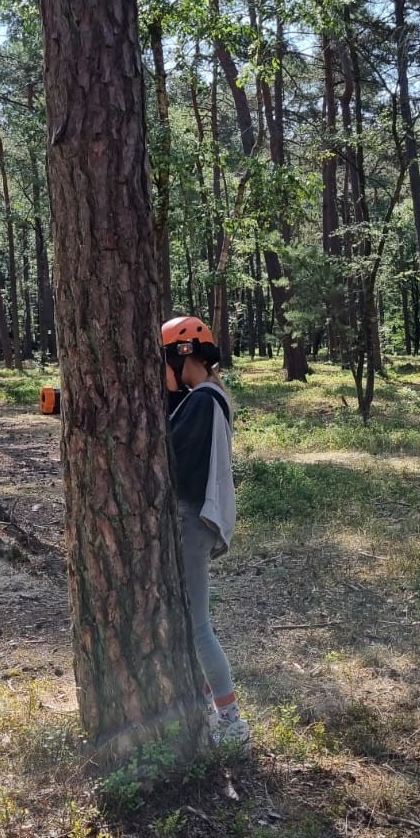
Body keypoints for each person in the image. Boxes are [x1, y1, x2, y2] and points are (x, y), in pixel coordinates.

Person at [162, 316, 249, 752]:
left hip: (192, 522)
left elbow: (168, 455)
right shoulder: (203, 397)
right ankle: (208, 711)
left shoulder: (202, 402)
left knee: (197, 627)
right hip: (192, 521)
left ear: (183, 357)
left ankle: (231, 721)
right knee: (188, 623)